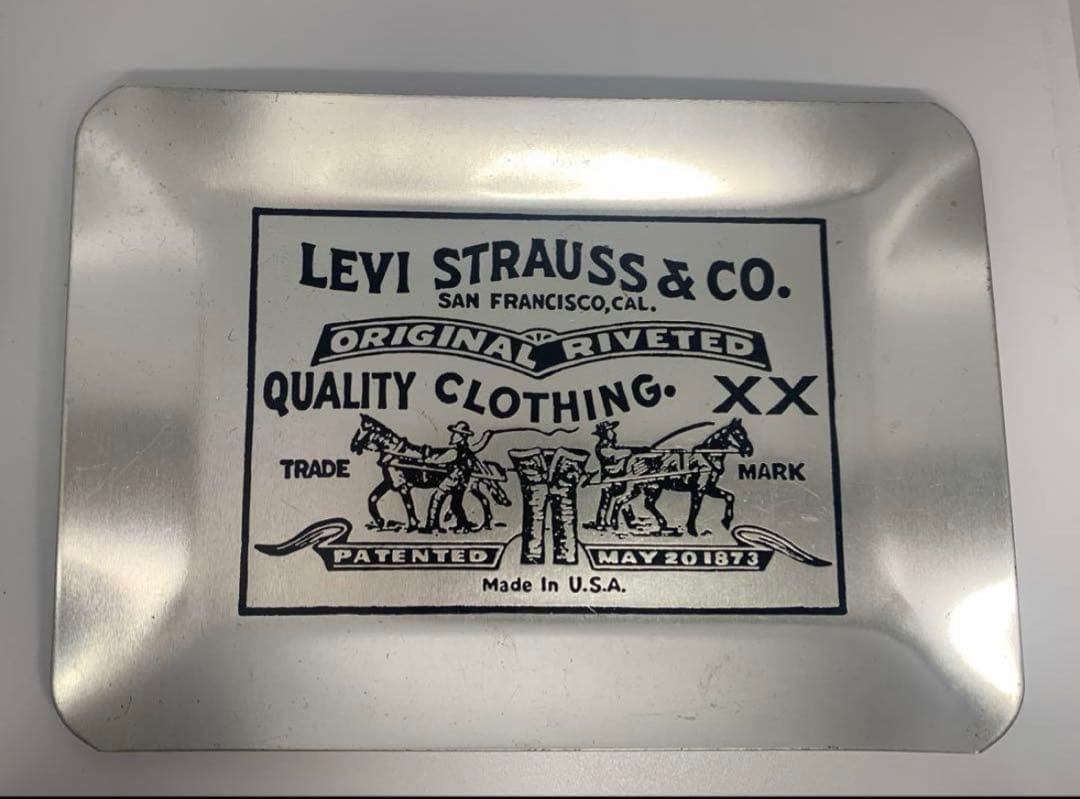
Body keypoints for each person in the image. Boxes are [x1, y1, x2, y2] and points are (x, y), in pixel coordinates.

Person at [424, 421, 494, 533]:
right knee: (455, 504)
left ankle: (432, 526)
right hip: (462, 483)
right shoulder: (468, 450)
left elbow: (440, 460)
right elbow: (480, 445)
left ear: (462, 436)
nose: (452, 435)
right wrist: (487, 435)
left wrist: (429, 460)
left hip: (452, 480)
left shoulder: (455, 451)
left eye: (455, 433)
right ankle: (462, 525)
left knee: (436, 498)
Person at [591, 420, 637, 529]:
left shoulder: (613, 447)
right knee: (605, 502)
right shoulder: (601, 448)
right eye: (610, 430)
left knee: (623, 497)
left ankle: (623, 520)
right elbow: (615, 454)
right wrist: (630, 452)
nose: (613, 432)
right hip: (609, 481)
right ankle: (601, 522)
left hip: (620, 479)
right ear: (604, 434)